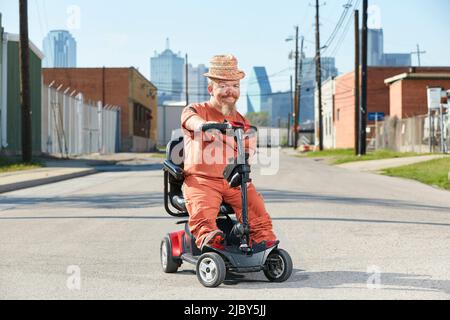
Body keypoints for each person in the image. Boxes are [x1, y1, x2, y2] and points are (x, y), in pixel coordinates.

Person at [180, 54, 277, 250]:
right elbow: (190, 119)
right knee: (203, 210)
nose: (229, 91)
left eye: (234, 86)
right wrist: (204, 126)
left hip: (233, 180)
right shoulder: (196, 110)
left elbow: (248, 149)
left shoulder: (241, 121)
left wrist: (248, 151)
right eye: (223, 86)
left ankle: (263, 242)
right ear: (211, 89)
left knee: (255, 206)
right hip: (202, 180)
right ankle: (210, 240)